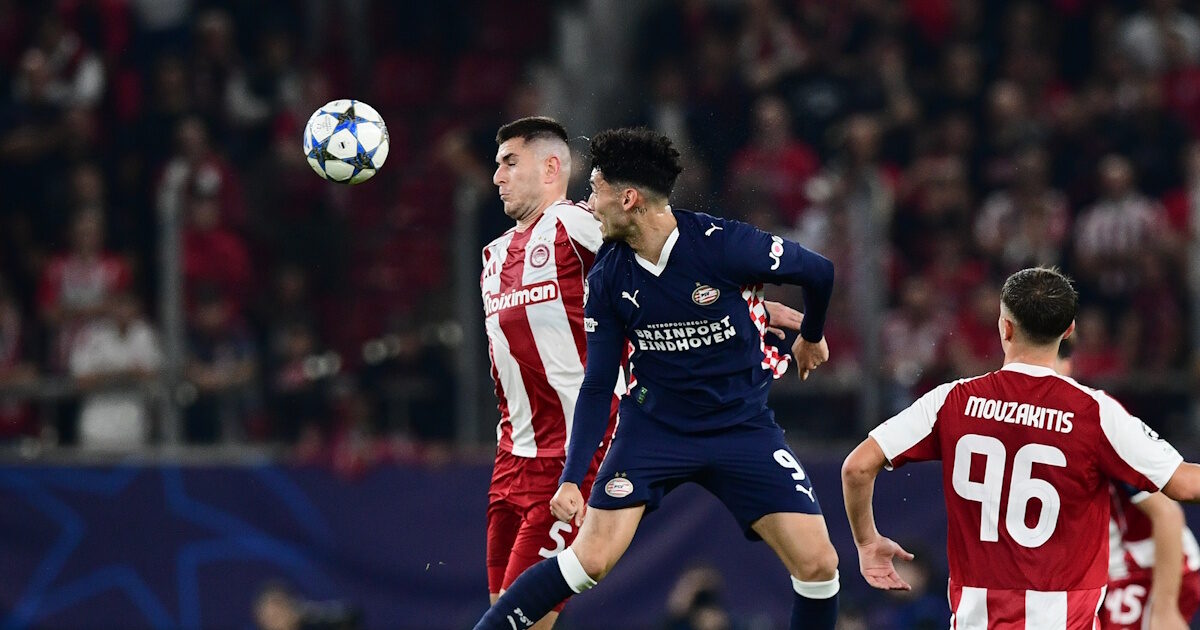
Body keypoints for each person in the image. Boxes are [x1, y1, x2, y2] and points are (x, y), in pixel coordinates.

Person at [474, 127, 839, 630]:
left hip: (740, 427)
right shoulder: (608, 276)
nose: (589, 203)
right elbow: (598, 384)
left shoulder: (721, 244)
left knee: (819, 564)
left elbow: (819, 271)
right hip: (654, 428)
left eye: (595, 190)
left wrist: (810, 336)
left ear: (628, 198)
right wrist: (572, 479)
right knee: (588, 561)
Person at [841, 266, 1200, 629]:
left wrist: (867, 542)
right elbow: (1186, 485)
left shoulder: (951, 400)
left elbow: (857, 467)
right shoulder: (1096, 413)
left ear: (1005, 327)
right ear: (1068, 330)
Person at [1058, 339, 1200, 630]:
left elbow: (1167, 514)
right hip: (1102, 576)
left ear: (1068, 366)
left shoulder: (1094, 424)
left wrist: (1164, 609)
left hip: (1149, 569)